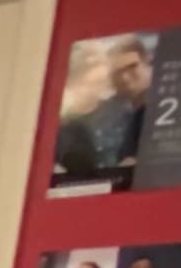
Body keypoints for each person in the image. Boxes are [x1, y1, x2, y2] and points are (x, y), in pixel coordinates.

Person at [53, 39, 151, 190]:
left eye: (97, 83)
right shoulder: (59, 125)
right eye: (84, 82)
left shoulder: (123, 111)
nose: (125, 77)